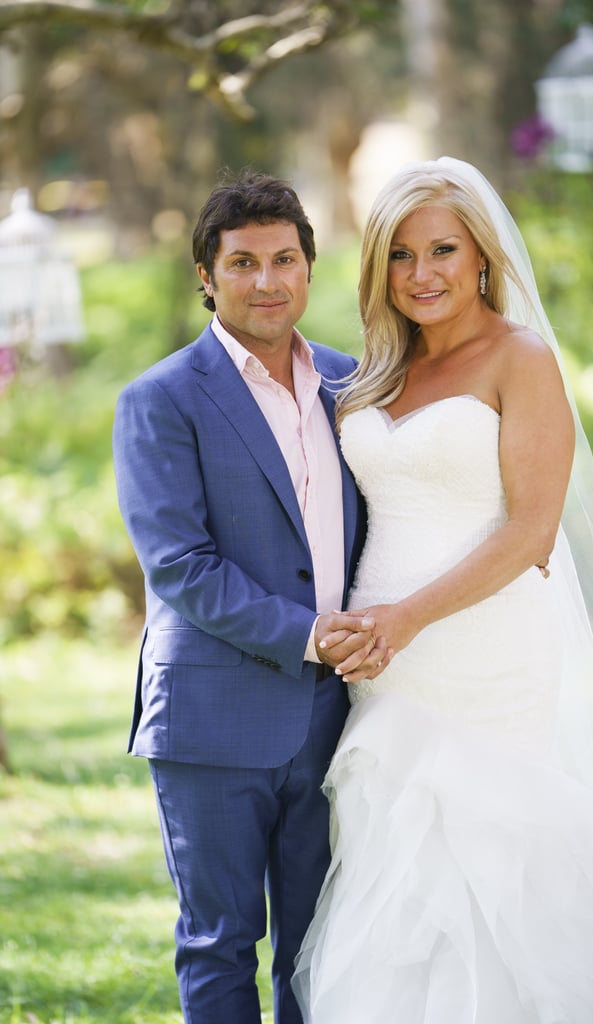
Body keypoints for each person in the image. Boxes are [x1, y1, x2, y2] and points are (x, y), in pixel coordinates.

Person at [292, 157, 593, 1023]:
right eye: (400, 255)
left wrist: (405, 617)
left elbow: (530, 532)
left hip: (482, 648)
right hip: (384, 663)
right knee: (395, 864)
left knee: (494, 853)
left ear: (480, 257)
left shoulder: (520, 358)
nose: (420, 274)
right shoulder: (376, 371)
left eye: (441, 250)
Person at [112, 169, 389, 1024]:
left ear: (308, 267)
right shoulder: (160, 400)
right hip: (212, 715)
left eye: (283, 260)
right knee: (220, 940)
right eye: (242, 263)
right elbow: (181, 565)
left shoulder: (353, 383)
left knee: (319, 942)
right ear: (207, 275)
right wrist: (312, 635)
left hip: (336, 714)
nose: (266, 281)